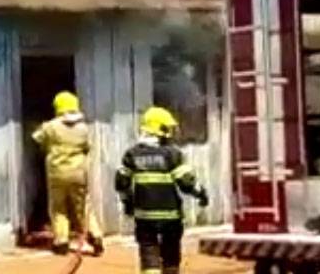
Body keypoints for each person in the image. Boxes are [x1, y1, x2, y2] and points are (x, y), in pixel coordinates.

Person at [115, 106, 209, 274]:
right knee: (171, 255)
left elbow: (121, 182)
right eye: (167, 128)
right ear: (160, 130)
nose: (170, 132)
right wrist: (201, 193)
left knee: (148, 252)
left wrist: (128, 203)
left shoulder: (132, 154)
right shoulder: (172, 154)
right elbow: (186, 183)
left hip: (144, 216)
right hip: (170, 216)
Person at [32, 91, 104, 256]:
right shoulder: (83, 128)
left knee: (59, 208)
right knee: (83, 206)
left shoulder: (50, 127)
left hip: (57, 173)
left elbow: (37, 139)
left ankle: (61, 241)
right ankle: (96, 235)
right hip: (79, 172)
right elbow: (87, 148)